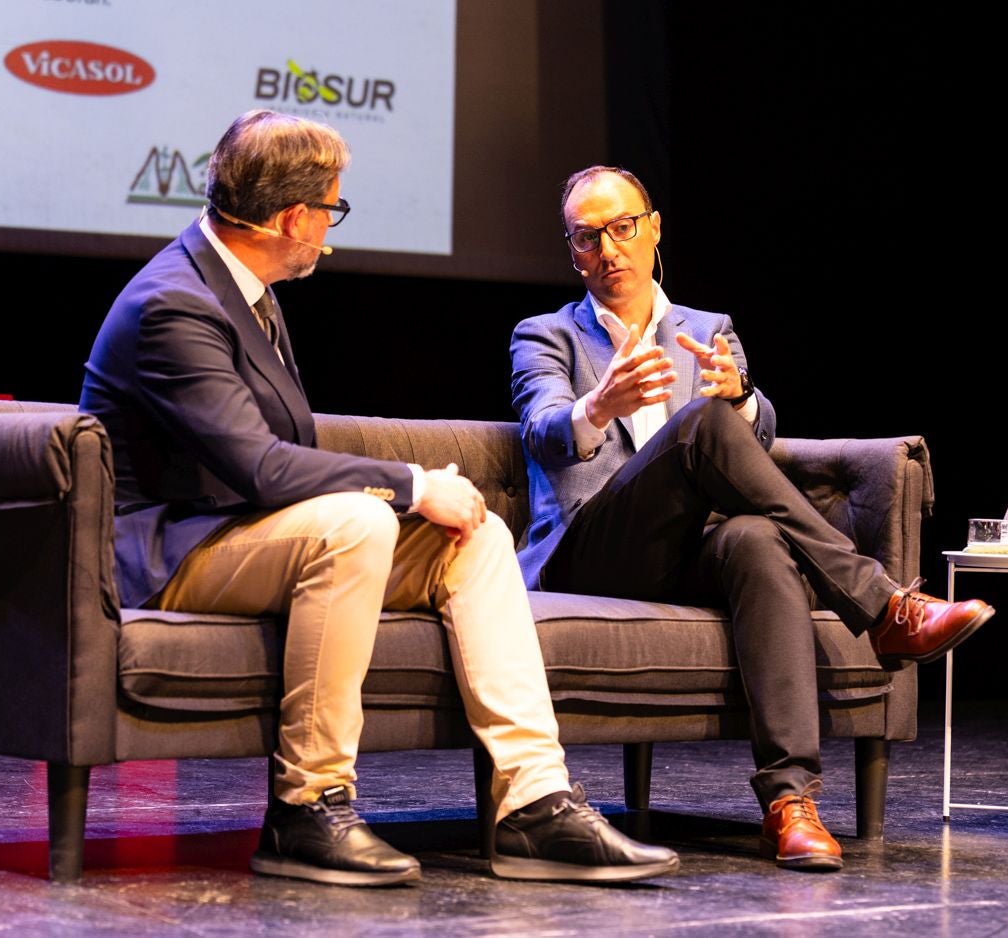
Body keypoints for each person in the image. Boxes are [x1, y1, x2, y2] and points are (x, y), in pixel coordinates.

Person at [79, 113, 678, 887]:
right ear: (292, 218)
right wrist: (412, 485)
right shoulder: (175, 304)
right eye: (331, 209)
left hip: (244, 536)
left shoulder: (246, 288)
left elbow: (277, 462)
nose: (331, 228)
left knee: (478, 535)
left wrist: (433, 502)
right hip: (172, 554)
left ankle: (533, 803)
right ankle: (306, 806)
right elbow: (259, 467)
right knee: (359, 521)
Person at [509, 165, 995, 872]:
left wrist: (741, 398)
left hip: (687, 550)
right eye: (587, 238)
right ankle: (884, 603)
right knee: (702, 425)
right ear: (572, 251)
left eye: (621, 229)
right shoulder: (546, 334)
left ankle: (788, 802)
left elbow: (754, 441)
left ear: (653, 229)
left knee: (758, 535)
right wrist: (598, 406)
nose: (608, 250)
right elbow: (540, 427)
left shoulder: (710, 330)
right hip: (592, 553)